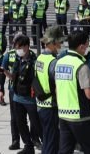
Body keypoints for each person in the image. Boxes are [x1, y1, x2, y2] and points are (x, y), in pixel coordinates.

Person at [0, 36, 43, 154]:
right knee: (20, 123)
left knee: (37, 124)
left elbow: (39, 79)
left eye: (20, 47)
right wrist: (4, 71)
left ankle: (46, 144)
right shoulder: (17, 60)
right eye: (16, 47)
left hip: (30, 99)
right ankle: (28, 146)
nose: (17, 50)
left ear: (26, 47)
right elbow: (13, 77)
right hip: (17, 97)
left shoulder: (34, 61)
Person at [35, 26, 67, 154]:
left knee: (47, 140)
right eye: (60, 42)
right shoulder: (54, 62)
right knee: (52, 143)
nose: (62, 44)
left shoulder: (40, 58)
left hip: (41, 104)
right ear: (54, 43)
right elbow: (57, 89)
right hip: (51, 107)